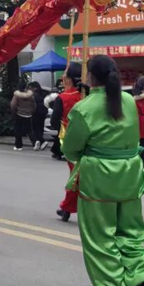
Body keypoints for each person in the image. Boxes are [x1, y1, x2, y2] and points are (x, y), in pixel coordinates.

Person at [61, 55, 144, 286]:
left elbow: (71, 149)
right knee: (131, 231)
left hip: (99, 178)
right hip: (130, 172)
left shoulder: (83, 108)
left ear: (91, 76)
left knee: (100, 238)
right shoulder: (128, 100)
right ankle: (143, 274)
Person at [55, 63, 85, 222]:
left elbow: (54, 122)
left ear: (68, 78)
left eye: (65, 73)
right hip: (89, 138)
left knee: (76, 175)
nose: (62, 75)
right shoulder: (85, 95)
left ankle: (68, 207)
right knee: (80, 174)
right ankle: (68, 207)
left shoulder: (62, 98)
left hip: (70, 141)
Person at [10, 80, 35, 150]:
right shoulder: (31, 96)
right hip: (28, 114)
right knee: (29, 130)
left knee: (18, 130)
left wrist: (14, 112)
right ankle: (35, 142)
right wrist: (31, 111)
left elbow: (13, 105)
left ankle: (18, 146)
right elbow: (34, 105)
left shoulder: (17, 96)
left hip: (19, 114)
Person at [29, 81, 49, 151]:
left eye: (30, 88)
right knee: (40, 127)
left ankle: (41, 141)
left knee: (35, 128)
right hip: (43, 113)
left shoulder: (33, 95)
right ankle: (39, 142)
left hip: (36, 113)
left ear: (34, 88)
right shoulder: (44, 94)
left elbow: (32, 105)